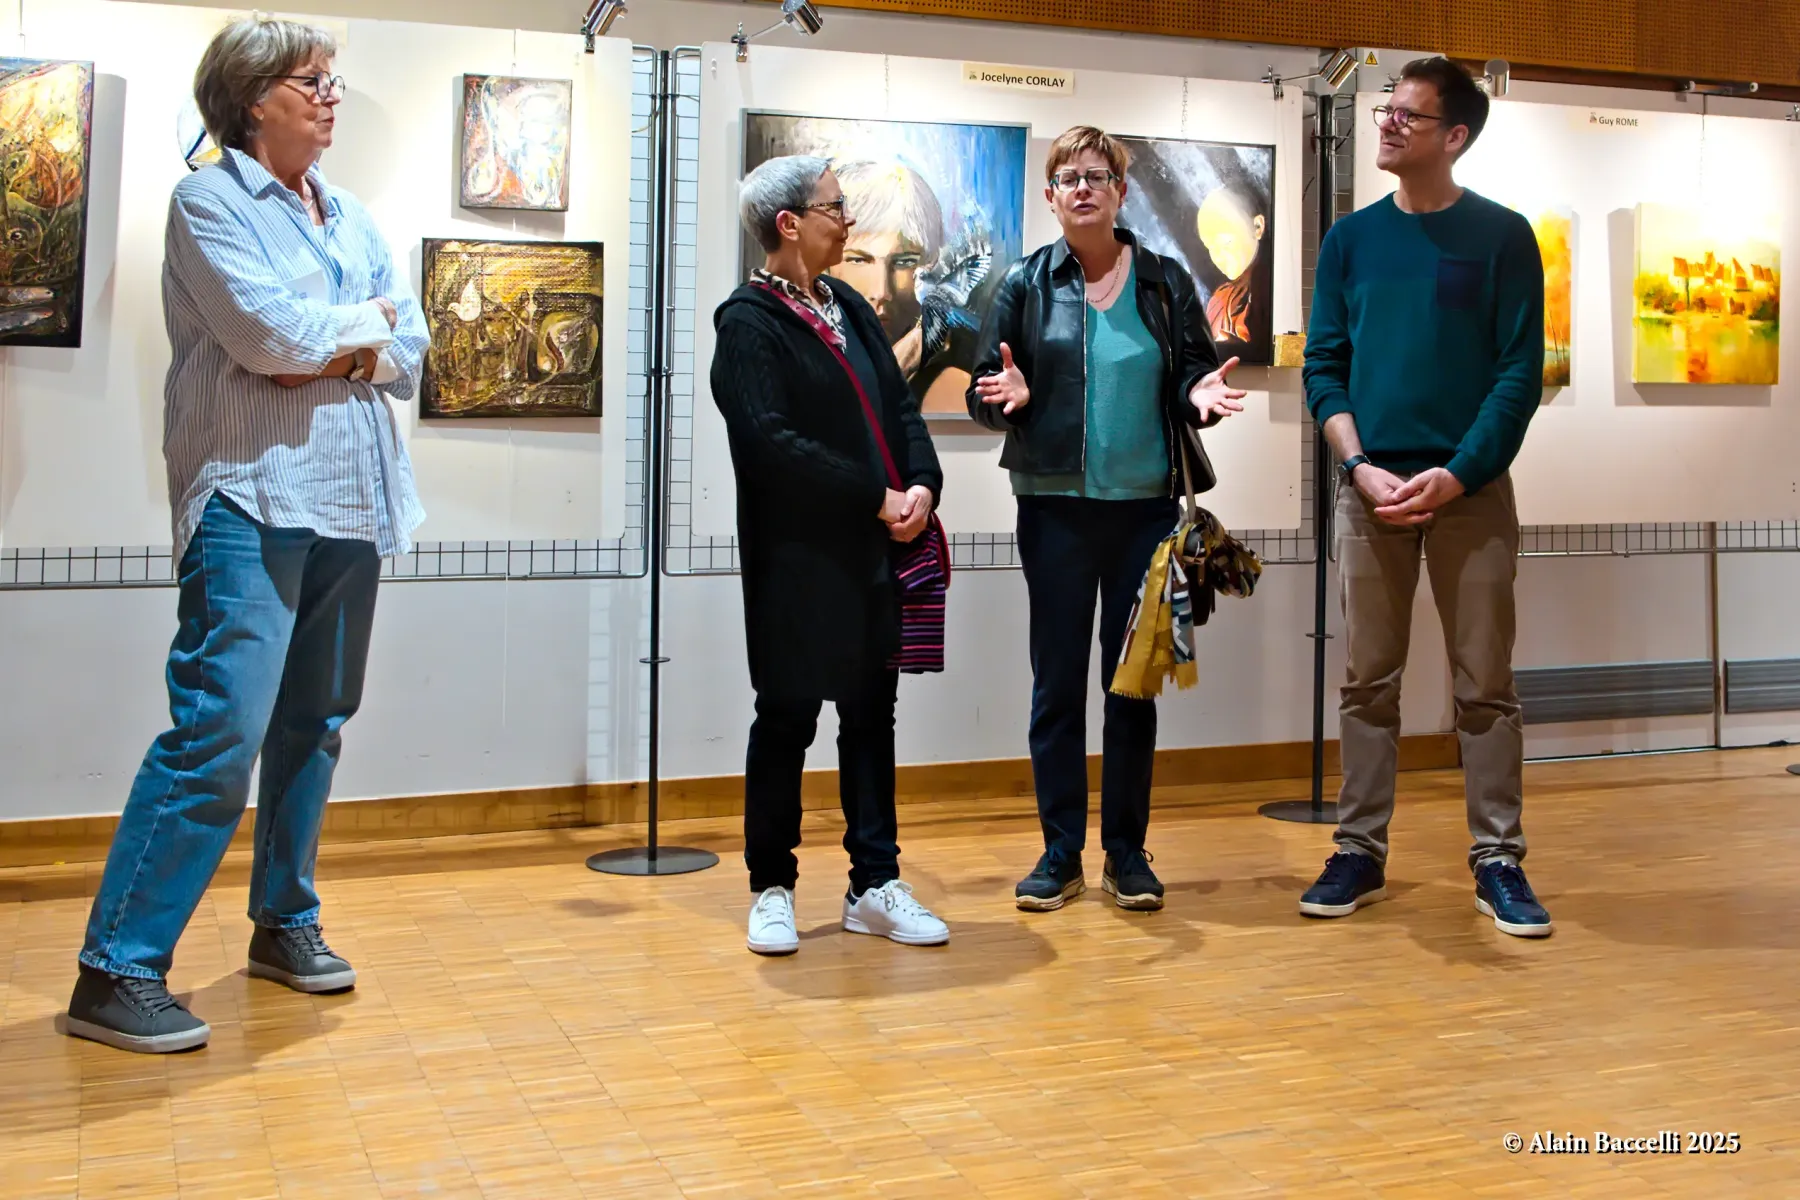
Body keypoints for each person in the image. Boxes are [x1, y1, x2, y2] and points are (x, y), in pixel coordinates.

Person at [63, 16, 429, 1053]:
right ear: (251, 97)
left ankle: (284, 922)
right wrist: (360, 336)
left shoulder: (351, 214)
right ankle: (116, 967)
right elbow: (268, 339)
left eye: (332, 81)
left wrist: (348, 343)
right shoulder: (208, 202)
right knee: (218, 733)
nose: (331, 97)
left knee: (316, 722)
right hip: (250, 499)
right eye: (312, 81)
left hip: (353, 499)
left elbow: (413, 347)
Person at [1301, 57, 1550, 937]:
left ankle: (1498, 859)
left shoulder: (1503, 237)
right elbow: (1324, 366)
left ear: (1456, 136)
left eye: (1409, 114)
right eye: (1388, 109)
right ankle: (1359, 850)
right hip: (1370, 491)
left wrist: (1461, 471)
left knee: (1486, 687)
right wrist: (1358, 466)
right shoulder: (1351, 241)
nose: (1388, 122)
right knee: (1367, 682)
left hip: (1468, 492)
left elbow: (1518, 374)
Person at [967, 126, 1246, 913]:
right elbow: (985, 389)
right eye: (1069, 178)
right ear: (1050, 196)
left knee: (1132, 686)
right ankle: (1060, 853)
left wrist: (1197, 394)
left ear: (1121, 192)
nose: (1083, 188)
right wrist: (1010, 401)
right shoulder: (1024, 284)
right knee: (1056, 686)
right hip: (1052, 512)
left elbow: (1193, 371)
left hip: (1146, 517)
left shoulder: (1162, 281)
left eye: (1098, 176)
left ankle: (1126, 851)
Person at [711, 154, 951, 956]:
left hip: (873, 556)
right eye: (833, 207)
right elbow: (770, 444)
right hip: (796, 561)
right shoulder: (747, 322)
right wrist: (871, 496)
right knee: (787, 716)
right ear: (788, 224)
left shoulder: (846, 303)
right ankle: (771, 887)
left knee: (872, 716)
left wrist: (922, 484)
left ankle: (873, 884)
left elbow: (900, 409)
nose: (845, 220)